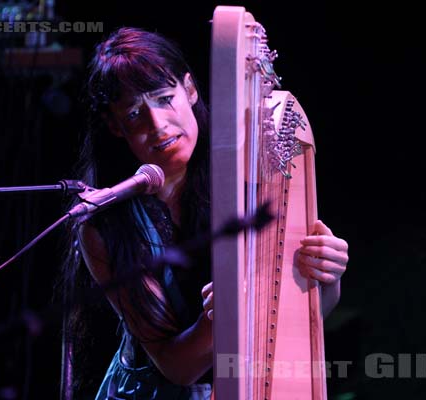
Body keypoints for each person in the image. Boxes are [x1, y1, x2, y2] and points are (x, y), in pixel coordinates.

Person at [62, 27, 349, 400]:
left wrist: (325, 277)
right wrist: (225, 315)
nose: (158, 125)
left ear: (190, 89)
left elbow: (294, 320)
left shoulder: (252, 175)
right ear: (116, 127)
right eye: (135, 114)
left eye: (165, 98)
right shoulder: (104, 224)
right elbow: (177, 367)